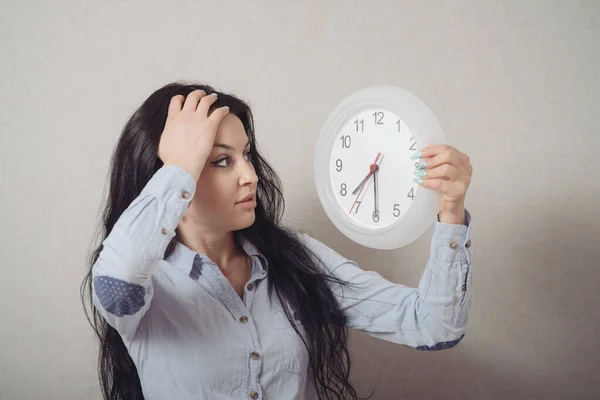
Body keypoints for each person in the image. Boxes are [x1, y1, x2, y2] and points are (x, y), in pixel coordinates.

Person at [80, 82, 474, 400]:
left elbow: (434, 326)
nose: (249, 175)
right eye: (220, 161)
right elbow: (117, 282)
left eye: (246, 155)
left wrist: (451, 209)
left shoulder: (293, 259)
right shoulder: (145, 284)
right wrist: (180, 165)